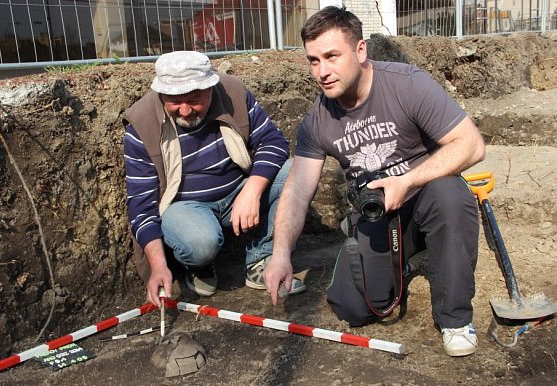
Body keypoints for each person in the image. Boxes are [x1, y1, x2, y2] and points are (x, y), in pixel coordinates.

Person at [263, 7, 486, 357]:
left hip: (425, 200)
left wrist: (407, 180)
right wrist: (279, 254)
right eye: (313, 60)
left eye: (332, 56)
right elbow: (297, 191)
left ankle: (455, 319)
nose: (322, 71)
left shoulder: (407, 84)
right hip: (376, 214)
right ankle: (398, 264)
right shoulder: (317, 121)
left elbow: (471, 145)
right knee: (354, 309)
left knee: (449, 193)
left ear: (361, 50)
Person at [122, 50, 306, 308]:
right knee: (200, 242)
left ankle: (261, 259)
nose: (185, 111)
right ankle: (198, 265)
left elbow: (273, 143)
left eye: (194, 100)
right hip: (183, 207)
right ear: (161, 93)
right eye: (174, 101)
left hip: (237, 191)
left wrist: (252, 190)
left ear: (211, 88)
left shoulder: (233, 93)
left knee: (297, 172)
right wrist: (159, 266)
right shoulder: (142, 126)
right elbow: (141, 206)